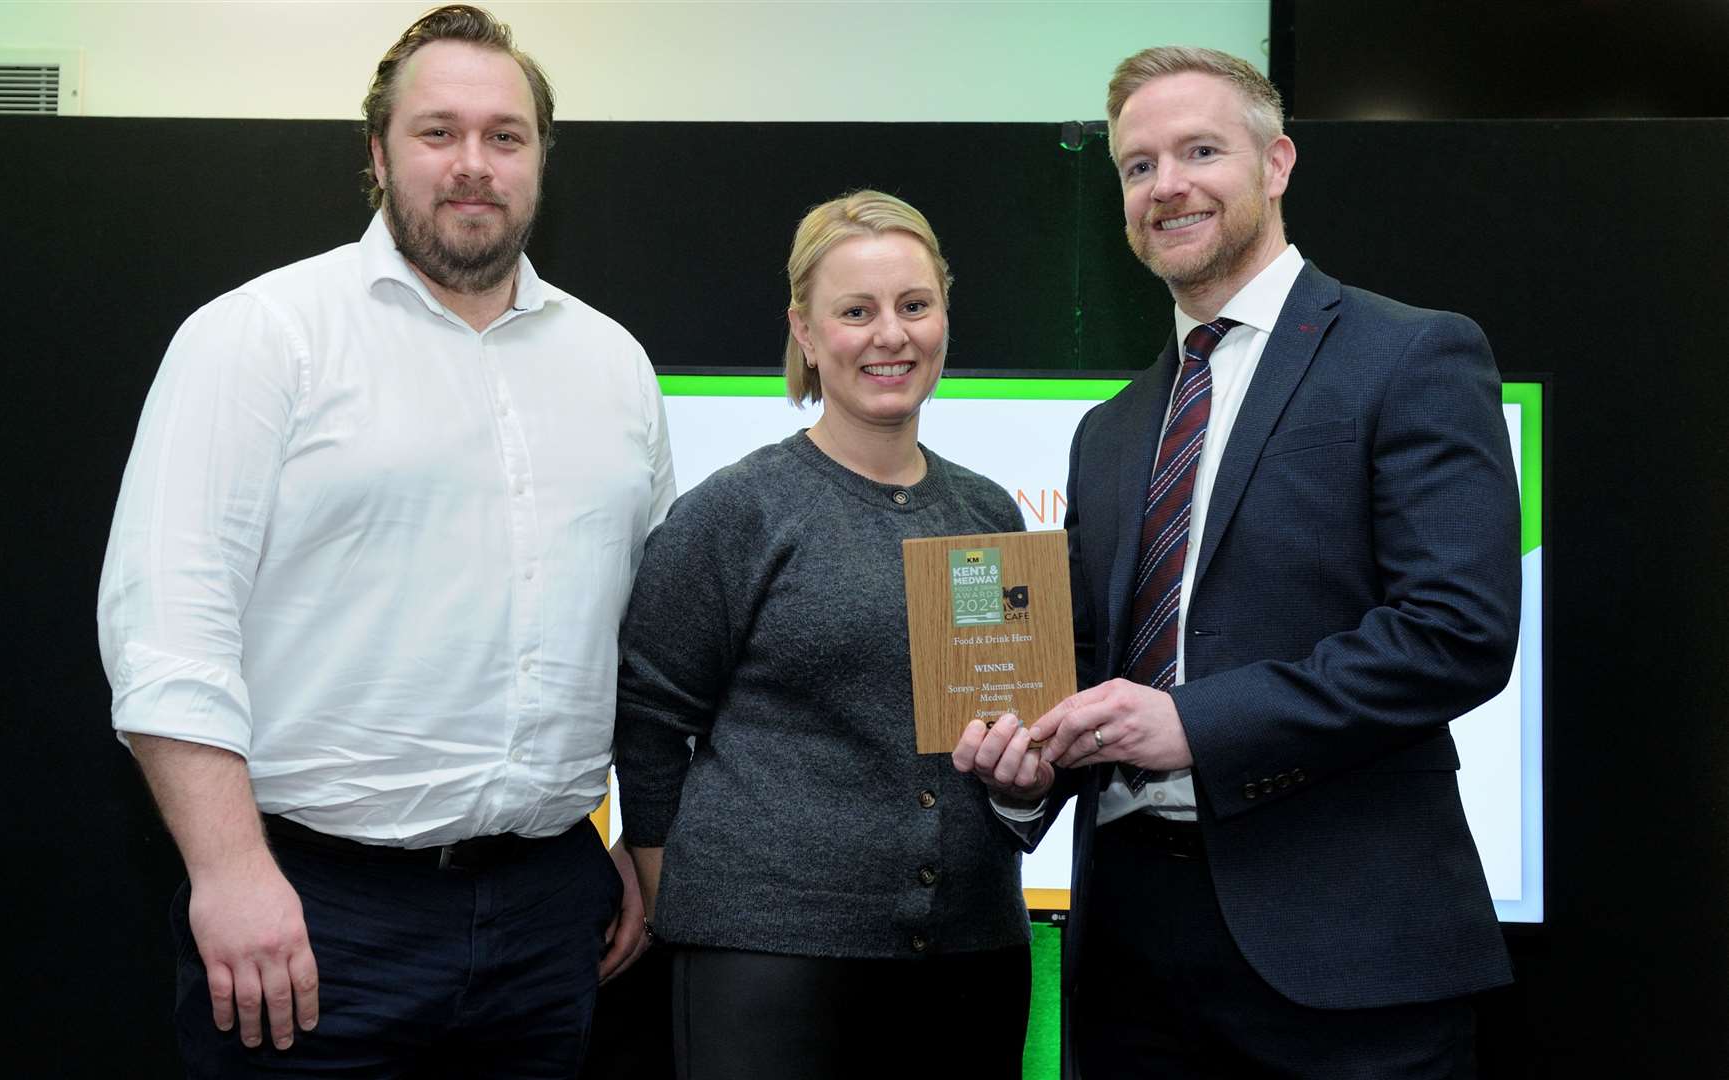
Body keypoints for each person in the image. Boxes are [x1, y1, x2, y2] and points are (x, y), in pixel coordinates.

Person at [96, 5, 673, 1075]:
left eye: (505, 136)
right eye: (436, 132)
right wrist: (228, 873)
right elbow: (166, 631)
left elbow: (646, 646)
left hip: (554, 917)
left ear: (542, 159)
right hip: (309, 915)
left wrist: (637, 845)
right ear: (376, 153)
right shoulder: (258, 338)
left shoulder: (613, 367)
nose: (473, 165)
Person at [955, 46, 1519, 1079]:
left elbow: (1456, 633)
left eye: (1199, 150)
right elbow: (1086, 664)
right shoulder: (1112, 430)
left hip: (1344, 953)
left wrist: (1193, 723)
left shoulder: (1410, 356)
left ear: (1276, 164)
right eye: (1136, 165)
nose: (1166, 185)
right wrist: (1025, 763)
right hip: (1127, 954)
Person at [615, 190, 1032, 1080]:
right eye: (857, 311)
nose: (892, 335)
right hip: (765, 964)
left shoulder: (988, 514)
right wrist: (669, 898)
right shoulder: (739, 510)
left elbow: (1002, 722)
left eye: (915, 306)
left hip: (970, 957)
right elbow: (648, 716)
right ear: (806, 332)